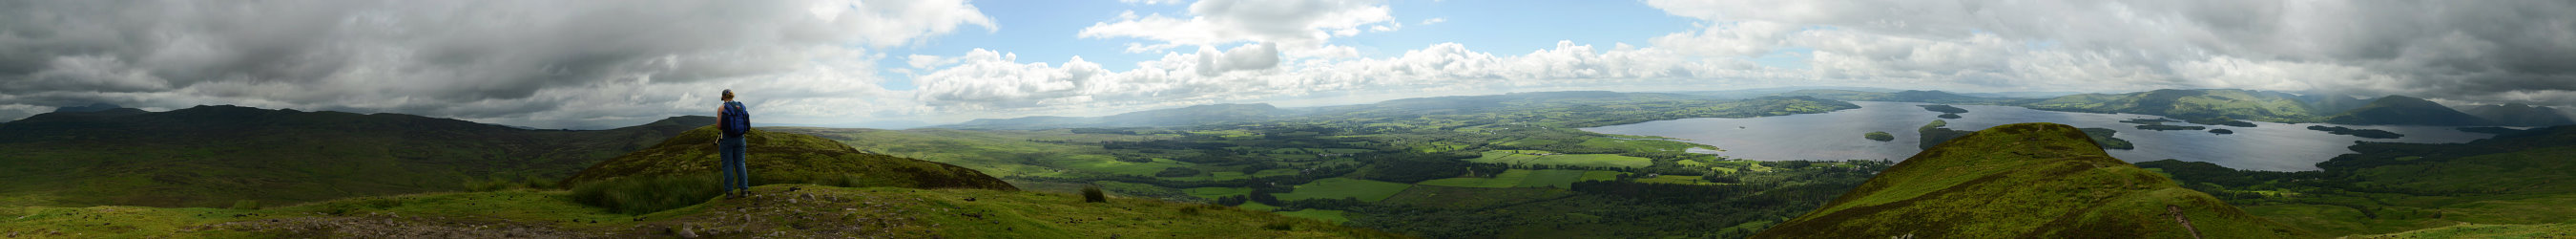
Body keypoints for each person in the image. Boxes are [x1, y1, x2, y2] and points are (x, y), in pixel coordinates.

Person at [715, 89, 753, 199]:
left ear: (723, 97)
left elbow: (719, 126)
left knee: (727, 165)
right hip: (740, 138)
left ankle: (729, 193)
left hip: (727, 139)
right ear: (732, 96)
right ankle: (744, 190)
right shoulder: (741, 106)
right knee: (740, 163)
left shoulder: (722, 108)